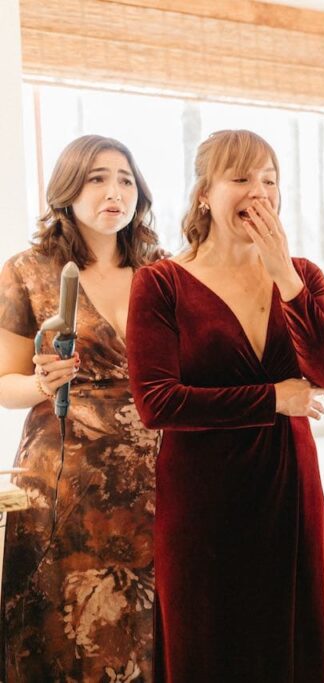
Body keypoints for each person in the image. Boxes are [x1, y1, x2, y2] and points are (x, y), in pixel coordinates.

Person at [126, 129, 324, 681]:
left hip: (288, 483)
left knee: (289, 637)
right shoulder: (161, 284)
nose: (259, 192)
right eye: (242, 177)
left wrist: (284, 276)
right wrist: (274, 397)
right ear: (205, 192)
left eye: (270, 180)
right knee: (209, 638)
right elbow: (158, 403)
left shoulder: (304, 275)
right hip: (201, 493)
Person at [0, 135, 164, 681]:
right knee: (64, 632)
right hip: (64, 481)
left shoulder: (163, 271)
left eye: (125, 178)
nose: (114, 190)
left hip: (157, 480)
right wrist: (43, 383)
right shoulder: (29, 270)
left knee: (147, 632)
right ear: (67, 188)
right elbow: (4, 383)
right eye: (97, 178)